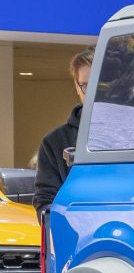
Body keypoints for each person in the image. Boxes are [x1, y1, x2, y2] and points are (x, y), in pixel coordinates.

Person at [34, 47, 92, 215]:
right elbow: (45, 202)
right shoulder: (54, 143)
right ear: (77, 87)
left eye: (100, 84)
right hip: (75, 231)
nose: (94, 93)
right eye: (87, 85)